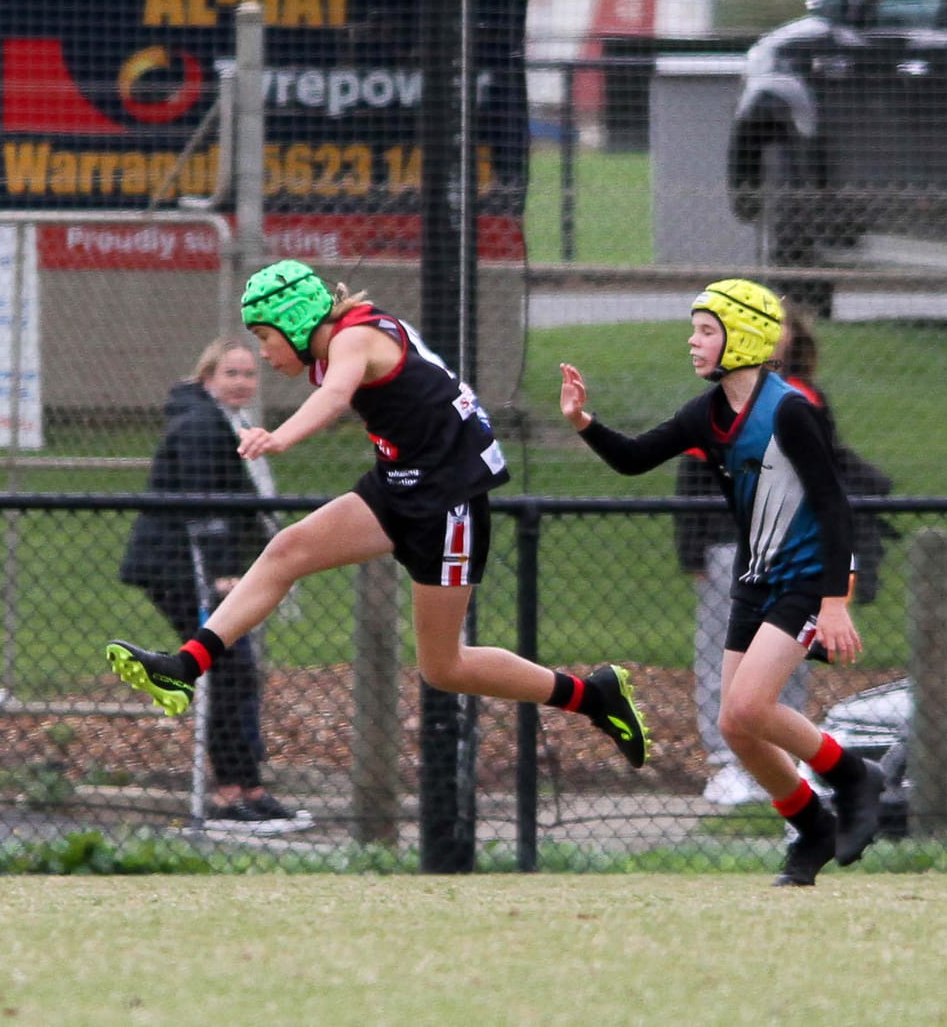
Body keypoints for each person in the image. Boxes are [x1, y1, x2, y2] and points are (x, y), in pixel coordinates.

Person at [106, 260, 653, 784]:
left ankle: (593, 695)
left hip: (447, 500)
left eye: (264, 336)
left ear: (295, 320)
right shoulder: (344, 336)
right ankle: (184, 666)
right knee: (286, 552)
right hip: (400, 483)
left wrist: (279, 436)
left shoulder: (353, 338)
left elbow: (338, 394)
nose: (262, 352)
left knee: (444, 667)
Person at [559, 278, 885, 886]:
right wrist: (584, 421)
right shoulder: (706, 414)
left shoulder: (790, 410)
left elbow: (836, 506)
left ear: (746, 338)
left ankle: (852, 775)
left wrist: (836, 601)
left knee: (747, 704)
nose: (694, 340)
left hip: (806, 578)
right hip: (755, 581)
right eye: (695, 328)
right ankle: (812, 824)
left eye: (707, 330)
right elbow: (633, 458)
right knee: (737, 726)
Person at [119, 337, 310, 833]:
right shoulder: (201, 425)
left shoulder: (232, 424)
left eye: (249, 374)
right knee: (228, 668)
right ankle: (229, 796)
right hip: (181, 568)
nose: (243, 382)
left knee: (237, 671)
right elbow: (207, 509)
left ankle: (251, 789)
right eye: (231, 374)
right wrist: (223, 574)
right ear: (208, 379)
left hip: (206, 567)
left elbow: (240, 507)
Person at [677, 311, 817, 807]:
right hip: (726, 546)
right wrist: (691, 546)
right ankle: (727, 765)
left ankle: (789, 764)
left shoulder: (805, 400)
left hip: (789, 552)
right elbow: (691, 476)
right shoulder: (718, 404)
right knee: (721, 654)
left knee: (788, 662)